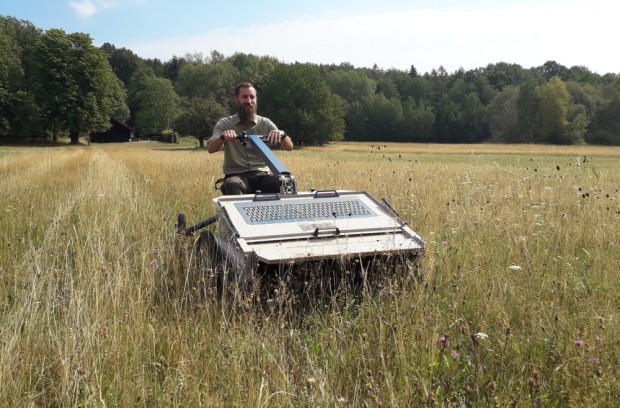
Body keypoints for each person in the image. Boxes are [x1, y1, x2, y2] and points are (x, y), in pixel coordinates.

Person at [207, 82, 294, 195]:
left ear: (256, 99)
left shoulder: (265, 123)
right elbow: (210, 148)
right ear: (236, 99)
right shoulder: (225, 123)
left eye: (252, 97)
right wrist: (222, 137)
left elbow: (289, 147)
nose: (249, 101)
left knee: (288, 182)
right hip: (237, 176)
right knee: (232, 184)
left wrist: (282, 135)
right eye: (244, 97)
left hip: (263, 176)